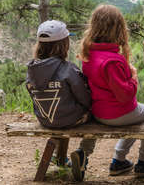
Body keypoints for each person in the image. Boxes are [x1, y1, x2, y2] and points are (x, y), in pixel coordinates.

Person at [79, 4, 144, 178]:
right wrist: (133, 77)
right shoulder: (113, 61)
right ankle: (142, 162)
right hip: (119, 113)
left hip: (98, 112)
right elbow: (125, 96)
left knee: (137, 118)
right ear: (119, 29)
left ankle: (119, 160)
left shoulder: (88, 55)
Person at [26, 20, 96, 182]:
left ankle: (59, 158)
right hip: (71, 119)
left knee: (62, 111)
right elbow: (85, 98)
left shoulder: (31, 70)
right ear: (64, 45)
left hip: (45, 119)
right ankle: (83, 154)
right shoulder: (68, 69)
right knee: (98, 114)